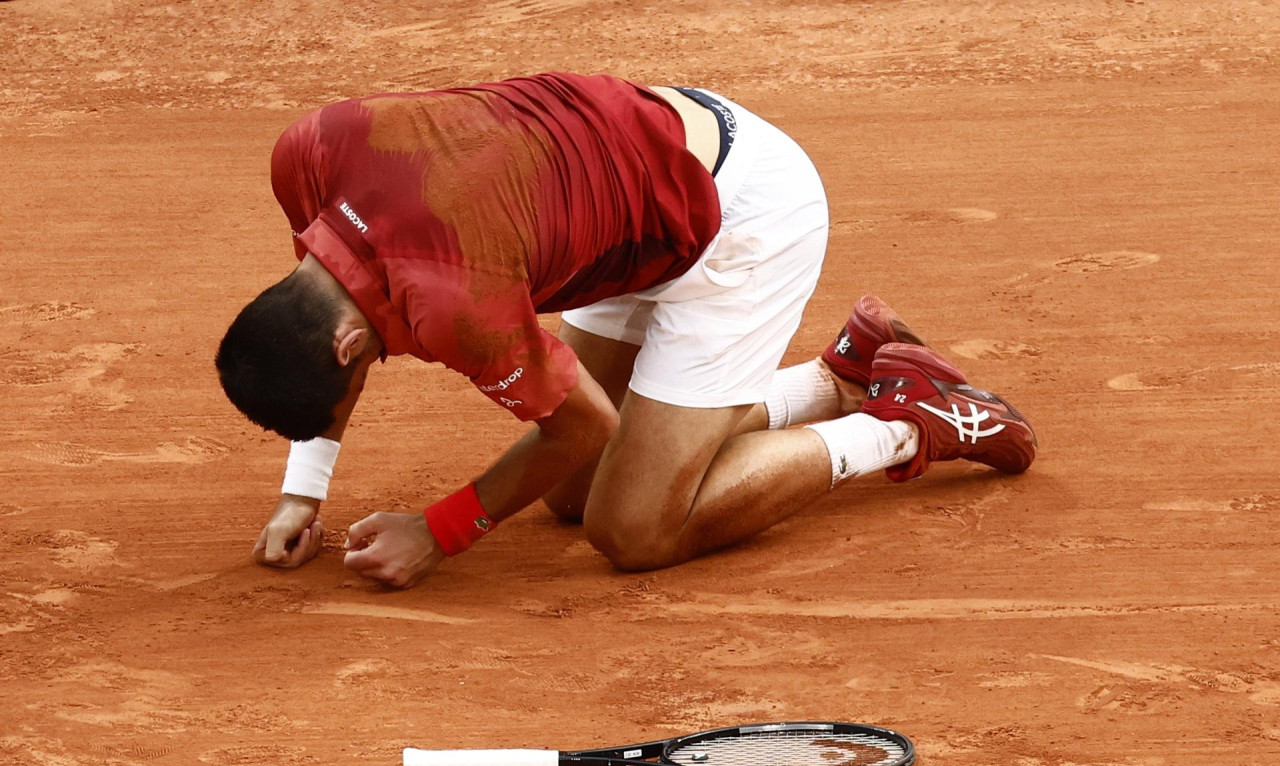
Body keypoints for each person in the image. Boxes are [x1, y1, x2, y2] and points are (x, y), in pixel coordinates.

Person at [215, 72, 1036, 588]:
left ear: (349, 348)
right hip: (625, 178)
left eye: (363, 369)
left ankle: (903, 421)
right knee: (570, 494)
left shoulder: (452, 301)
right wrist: (303, 490)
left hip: (740, 219)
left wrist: (440, 530)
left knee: (632, 526)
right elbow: (325, 330)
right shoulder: (308, 155)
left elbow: (582, 426)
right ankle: (841, 374)